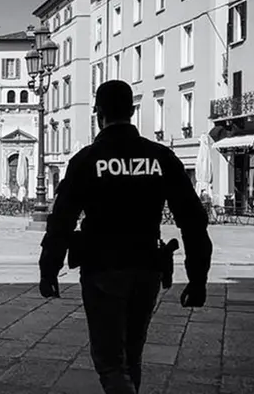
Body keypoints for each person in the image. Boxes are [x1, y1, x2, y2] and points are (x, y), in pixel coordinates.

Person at [38, 80, 213, 394]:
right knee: (132, 355)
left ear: (98, 114)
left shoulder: (87, 160)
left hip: (102, 268)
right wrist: (198, 277)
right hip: (146, 267)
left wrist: (48, 268)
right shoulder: (161, 157)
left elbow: (61, 220)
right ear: (131, 111)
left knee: (109, 361)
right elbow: (193, 220)